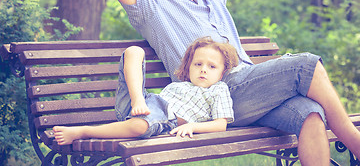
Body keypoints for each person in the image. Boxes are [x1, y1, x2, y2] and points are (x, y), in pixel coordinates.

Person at [98, 0, 360, 165]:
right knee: (304, 65)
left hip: (250, 93)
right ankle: (356, 145)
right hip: (212, 92)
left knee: (310, 113)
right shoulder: (153, 7)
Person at [53, 37, 239, 143]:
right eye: (198, 64)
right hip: (141, 103)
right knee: (134, 51)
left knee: (139, 125)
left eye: (212, 67)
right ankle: (138, 101)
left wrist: (192, 125)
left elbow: (220, 125)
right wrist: (139, 101)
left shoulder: (218, 89)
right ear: (189, 67)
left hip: (165, 118)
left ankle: (83, 131)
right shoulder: (181, 85)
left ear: (222, 74)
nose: (203, 69)